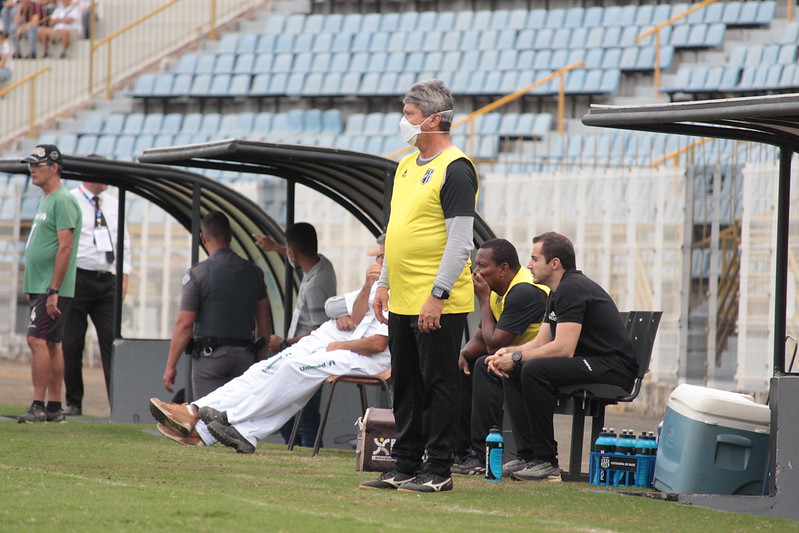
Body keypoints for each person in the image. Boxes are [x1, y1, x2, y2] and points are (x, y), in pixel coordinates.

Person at [149, 239, 388, 454]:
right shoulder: (378, 286)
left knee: (293, 369)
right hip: (340, 346)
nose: (376, 261)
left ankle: (229, 419)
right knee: (262, 370)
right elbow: (342, 312)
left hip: (361, 356)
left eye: (381, 256)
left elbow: (378, 343)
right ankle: (199, 419)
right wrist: (368, 286)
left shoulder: (402, 290)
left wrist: (341, 344)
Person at [360, 79, 478, 494]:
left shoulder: (456, 168)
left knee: (439, 382)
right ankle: (405, 463)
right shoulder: (406, 165)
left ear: (432, 120)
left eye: (409, 114)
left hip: (437, 301)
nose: (403, 122)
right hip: (404, 298)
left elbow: (461, 241)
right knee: (406, 381)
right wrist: (384, 283)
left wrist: (438, 296)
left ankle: (440, 467)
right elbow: (396, 232)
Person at [485, 232, 638, 482]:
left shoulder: (572, 289)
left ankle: (547, 462)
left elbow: (563, 348)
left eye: (535, 259)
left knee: (533, 369)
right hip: (592, 362)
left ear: (554, 263)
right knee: (517, 367)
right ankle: (528, 456)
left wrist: (517, 356)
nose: (529, 265)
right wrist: (511, 353)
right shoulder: (556, 291)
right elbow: (541, 342)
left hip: (613, 367)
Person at [450, 238, 549, 476]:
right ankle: (462, 451)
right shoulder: (499, 290)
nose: (476, 272)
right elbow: (481, 337)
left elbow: (493, 345)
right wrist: (462, 354)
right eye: (475, 265)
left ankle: (481, 452)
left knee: (486, 364)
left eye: (482, 265)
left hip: (539, 363)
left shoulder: (524, 291)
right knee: (465, 366)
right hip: (516, 360)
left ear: (504, 268)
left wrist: (483, 300)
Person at [160, 211, 272, 401]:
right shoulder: (255, 273)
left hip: (209, 359)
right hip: (244, 356)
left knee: (208, 416)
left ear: (202, 238)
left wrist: (171, 366)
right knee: (237, 417)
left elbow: (185, 324)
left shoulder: (197, 274)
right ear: (231, 235)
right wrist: (261, 357)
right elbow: (264, 322)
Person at [254, 222, 336, 447]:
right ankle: (298, 450)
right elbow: (299, 255)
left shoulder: (315, 287)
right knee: (292, 417)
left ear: (293, 252)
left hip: (307, 359)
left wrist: (283, 343)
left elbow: (321, 331)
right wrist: (276, 248)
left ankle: (307, 453)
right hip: (301, 359)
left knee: (304, 418)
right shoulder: (323, 266)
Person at [18, 144, 82, 423]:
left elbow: (65, 247)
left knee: (36, 339)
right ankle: (54, 407)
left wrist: (54, 289)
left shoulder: (63, 199)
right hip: (43, 285)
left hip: (50, 287)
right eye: (30, 164)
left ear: (54, 167)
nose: (31, 170)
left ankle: (38, 404)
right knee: (53, 343)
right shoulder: (48, 198)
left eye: (37, 165)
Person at [61, 177, 132, 416]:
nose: (108, 181)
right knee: (72, 343)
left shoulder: (113, 204)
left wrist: (125, 275)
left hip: (107, 280)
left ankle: (118, 405)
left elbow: (124, 242)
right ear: (90, 178)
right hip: (77, 278)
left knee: (112, 344)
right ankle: (73, 402)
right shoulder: (70, 199)